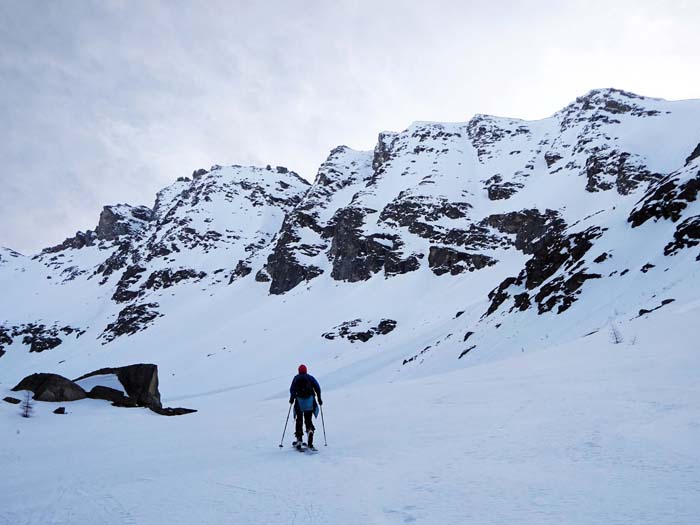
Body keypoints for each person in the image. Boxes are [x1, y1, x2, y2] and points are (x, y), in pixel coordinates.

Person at [289, 364, 322, 449]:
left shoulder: (296, 378)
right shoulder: (310, 378)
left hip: (299, 402)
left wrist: (292, 399)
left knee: (299, 420)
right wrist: (319, 398)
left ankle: (299, 439)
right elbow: (317, 387)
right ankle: (310, 430)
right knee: (308, 419)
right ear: (306, 370)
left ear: (299, 371)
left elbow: (292, 389)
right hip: (309, 402)